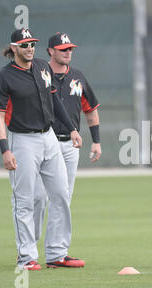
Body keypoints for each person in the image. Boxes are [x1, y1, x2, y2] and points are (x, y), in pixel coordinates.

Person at [0, 28, 84, 270]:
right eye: (24, 44)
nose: (30, 48)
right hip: (22, 140)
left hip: (49, 137)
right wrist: (4, 150)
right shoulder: (4, 77)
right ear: (14, 48)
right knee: (25, 200)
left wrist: (72, 128)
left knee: (61, 194)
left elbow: (54, 100)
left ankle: (57, 253)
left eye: (32, 44)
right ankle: (26, 257)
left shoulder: (42, 67)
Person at [32, 33, 101, 264]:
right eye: (63, 49)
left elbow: (90, 109)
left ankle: (57, 253)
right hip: (44, 140)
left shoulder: (78, 77)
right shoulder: (40, 74)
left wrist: (96, 141)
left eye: (70, 48)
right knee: (38, 197)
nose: (68, 52)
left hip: (70, 144)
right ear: (50, 51)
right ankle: (28, 249)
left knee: (62, 198)